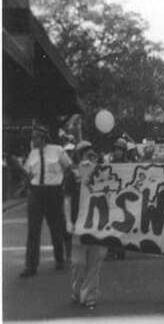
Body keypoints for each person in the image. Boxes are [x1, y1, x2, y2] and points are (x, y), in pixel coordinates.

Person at [20, 125, 72, 278]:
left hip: (53, 192)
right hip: (36, 193)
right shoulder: (32, 153)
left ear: (43, 138)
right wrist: (26, 186)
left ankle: (59, 259)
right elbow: (28, 173)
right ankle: (30, 265)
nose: (33, 140)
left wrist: (64, 186)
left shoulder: (57, 150)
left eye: (35, 137)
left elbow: (68, 168)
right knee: (33, 230)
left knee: (56, 227)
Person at [64, 140, 106, 308]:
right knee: (78, 262)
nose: (88, 154)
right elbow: (66, 198)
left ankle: (89, 295)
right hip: (77, 222)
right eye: (84, 152)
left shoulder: (99, 171)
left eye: (90, 151)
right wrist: (67, 220)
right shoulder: (72, 173)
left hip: (95, 222)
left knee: (94, 261)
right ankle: (76, 289)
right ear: (78, 155)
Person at [105, 138, 128, 261]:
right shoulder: (110, 165)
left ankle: (120, 250)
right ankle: (111, 250)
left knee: (122, 225)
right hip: (112, 198)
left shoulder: (129, 165)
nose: (118, 152)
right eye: (116, 150)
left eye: (120, 150)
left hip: (124, 199)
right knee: (111, 225)